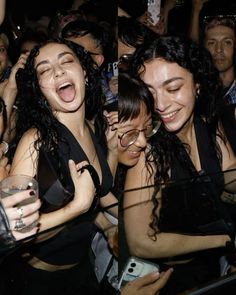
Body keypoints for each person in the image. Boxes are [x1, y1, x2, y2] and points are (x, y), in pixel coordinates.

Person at [123, 35, 236, 294]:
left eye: (172, 88)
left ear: (197, 83)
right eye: (149, 93)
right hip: (169, 278)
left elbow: (229, 169)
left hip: (211, 263)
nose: (161, 105)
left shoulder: (207, 120)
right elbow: (142, 242)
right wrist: (226, 241)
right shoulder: (147, 150)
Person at [2, 38, 114, 295]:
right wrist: (76, 208)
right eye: (44, 69)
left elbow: (98, 193)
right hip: (39, 282)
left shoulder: (93, 126)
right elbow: (14, 231)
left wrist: (111, 226)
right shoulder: (35, 140)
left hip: (84, 268)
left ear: (84, 73)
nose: (58, 71)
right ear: (39, 88)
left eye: (66, 61)